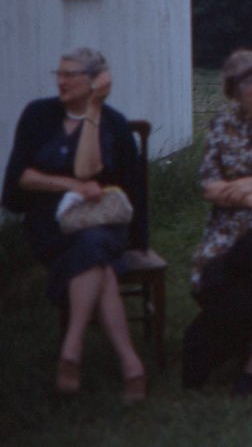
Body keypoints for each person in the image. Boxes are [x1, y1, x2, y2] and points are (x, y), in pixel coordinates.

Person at [2, 48, 148, 402]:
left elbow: (104, 178)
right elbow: (18, 179)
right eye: (59, 72)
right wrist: (70, 186)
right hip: (51, 225)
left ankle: (72, 348)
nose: (60, 80)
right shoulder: (38, 115)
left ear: (95, 82)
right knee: (98, 259)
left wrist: (93, 111)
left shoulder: (112, 123)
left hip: (103, 223)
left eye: (71, 74)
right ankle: (131, 364)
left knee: (94, 243)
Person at [182, 50, 252, 394]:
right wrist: (250, 197)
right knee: (215, 276)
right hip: (230, 222)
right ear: (234, 91)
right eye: (251, 84)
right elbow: (209, 185)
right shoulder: (223, 124)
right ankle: (240, 341)